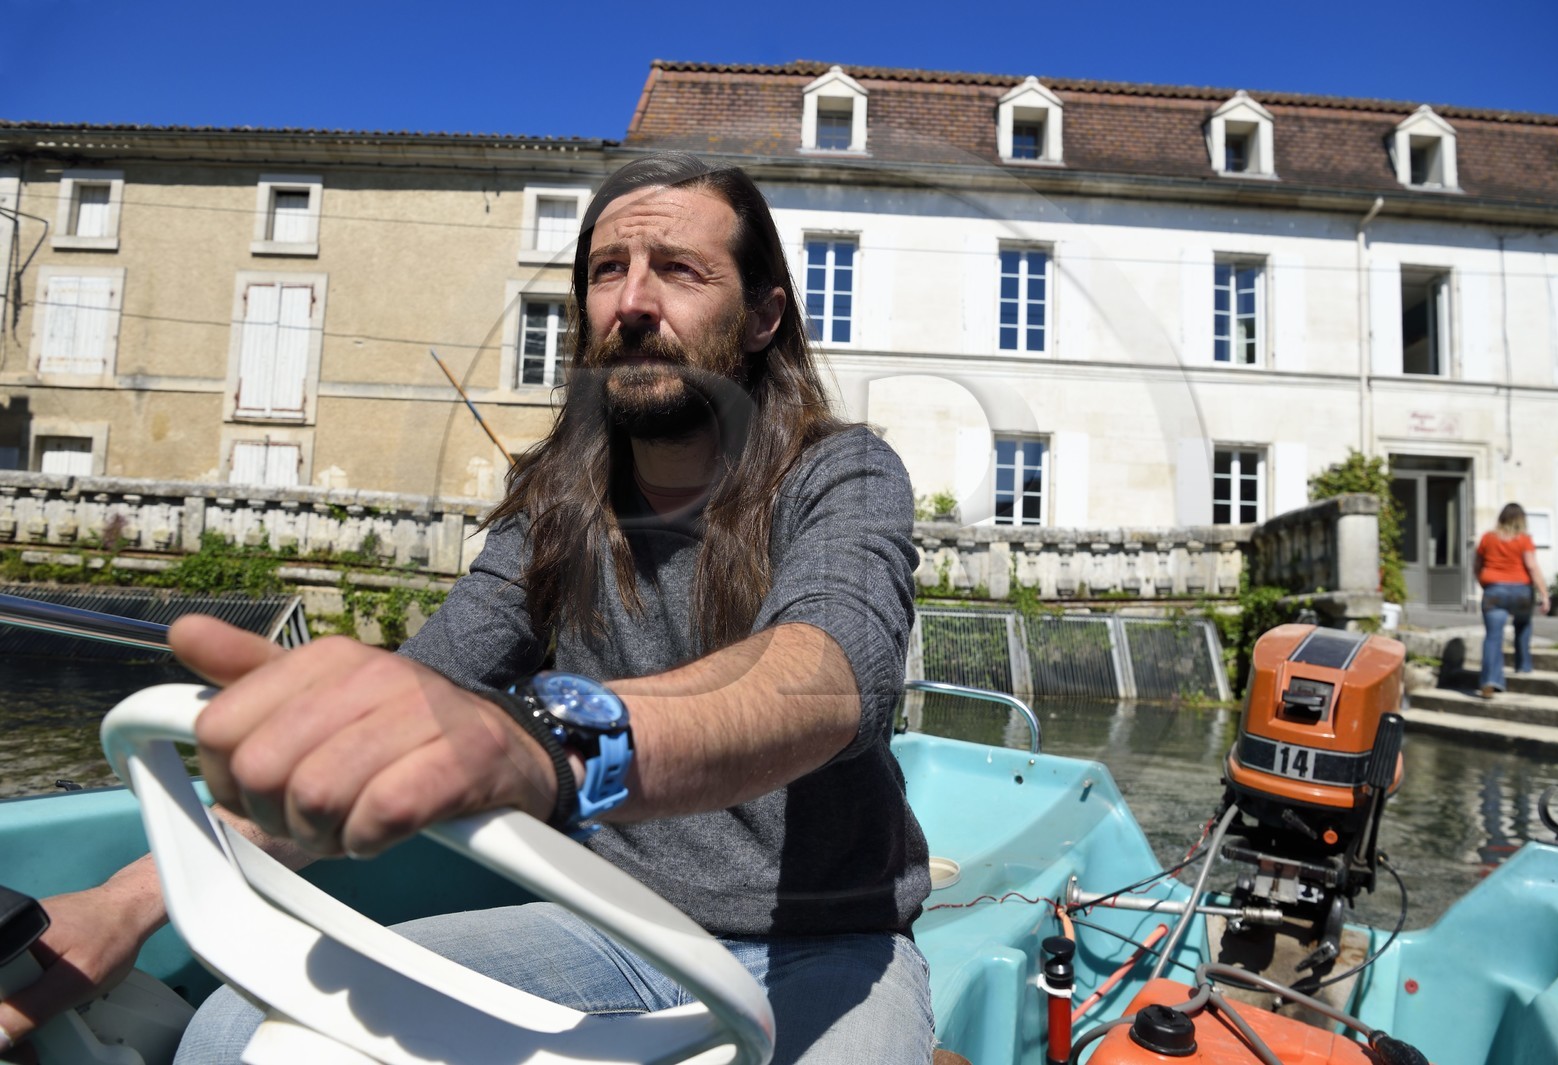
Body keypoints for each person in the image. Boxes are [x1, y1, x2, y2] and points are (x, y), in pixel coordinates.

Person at [0, 153, 934, 1065]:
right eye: (608, 270)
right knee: (231, 1035)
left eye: (680, 271)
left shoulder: (840, 474)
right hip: (613, 925)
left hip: (831, 945)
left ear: (764, 315)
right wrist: (126, 902)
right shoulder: (559, 512)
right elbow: (408, 700)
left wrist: (548, 741)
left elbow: (827, 673)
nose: (633, 302)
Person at [1474, 502, 1550, 699]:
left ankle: (1490, 681)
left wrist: (1485, 584)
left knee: (1493, 637)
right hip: (1521, 591)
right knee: (1523, 624)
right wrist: (1544, 594)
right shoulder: (1524, 539)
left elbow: (1477, 565)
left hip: (1494, 591)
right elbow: (1532, 567)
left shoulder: (1487, 538)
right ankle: (1523, 666)